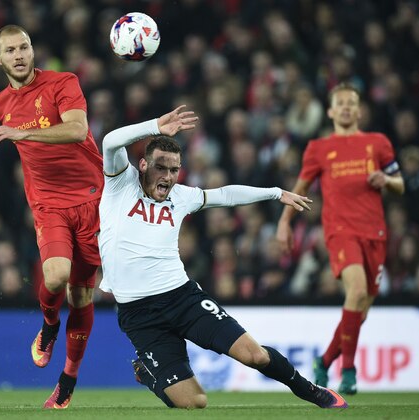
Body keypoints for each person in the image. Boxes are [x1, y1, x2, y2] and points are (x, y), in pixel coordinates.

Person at [98, 105, 347, 409]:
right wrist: (154, 126)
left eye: (174, 170)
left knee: (254, 355)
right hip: (139, 316)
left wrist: (275, 192)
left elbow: (226, 195)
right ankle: (150, 374)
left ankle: (311, 391)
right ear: (143, 165)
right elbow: (111, 141)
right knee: (195, 403)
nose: (168, 176)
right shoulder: (120, 184)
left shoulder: (182, 197)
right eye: (161, 167)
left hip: (182, 299)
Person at [0, 25, 102, 409]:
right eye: (10, 50)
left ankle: (67, 381)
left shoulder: (62, 82)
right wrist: (17, 131)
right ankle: (49, 324)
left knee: (82, 294)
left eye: (24, 47)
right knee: (56, 275)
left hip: (92, 200)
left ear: (32, 50)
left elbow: (77, 129)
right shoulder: (0, 103)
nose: (19, 55)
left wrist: (21, 133)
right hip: (49, 205)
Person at [276, 83, 405, 395]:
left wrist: (386, 180)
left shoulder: (378, 143)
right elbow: (301, 189)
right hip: (340, 231)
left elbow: (400, 184)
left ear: (359, 111)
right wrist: (284, 223)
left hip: (374, 233)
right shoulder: (319, 149)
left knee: (360, 308)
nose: (346, 107)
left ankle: (324, 360)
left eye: (352, 103)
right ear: (331, 111)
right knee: (357, 291)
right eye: (341, 103)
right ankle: (348, 370)